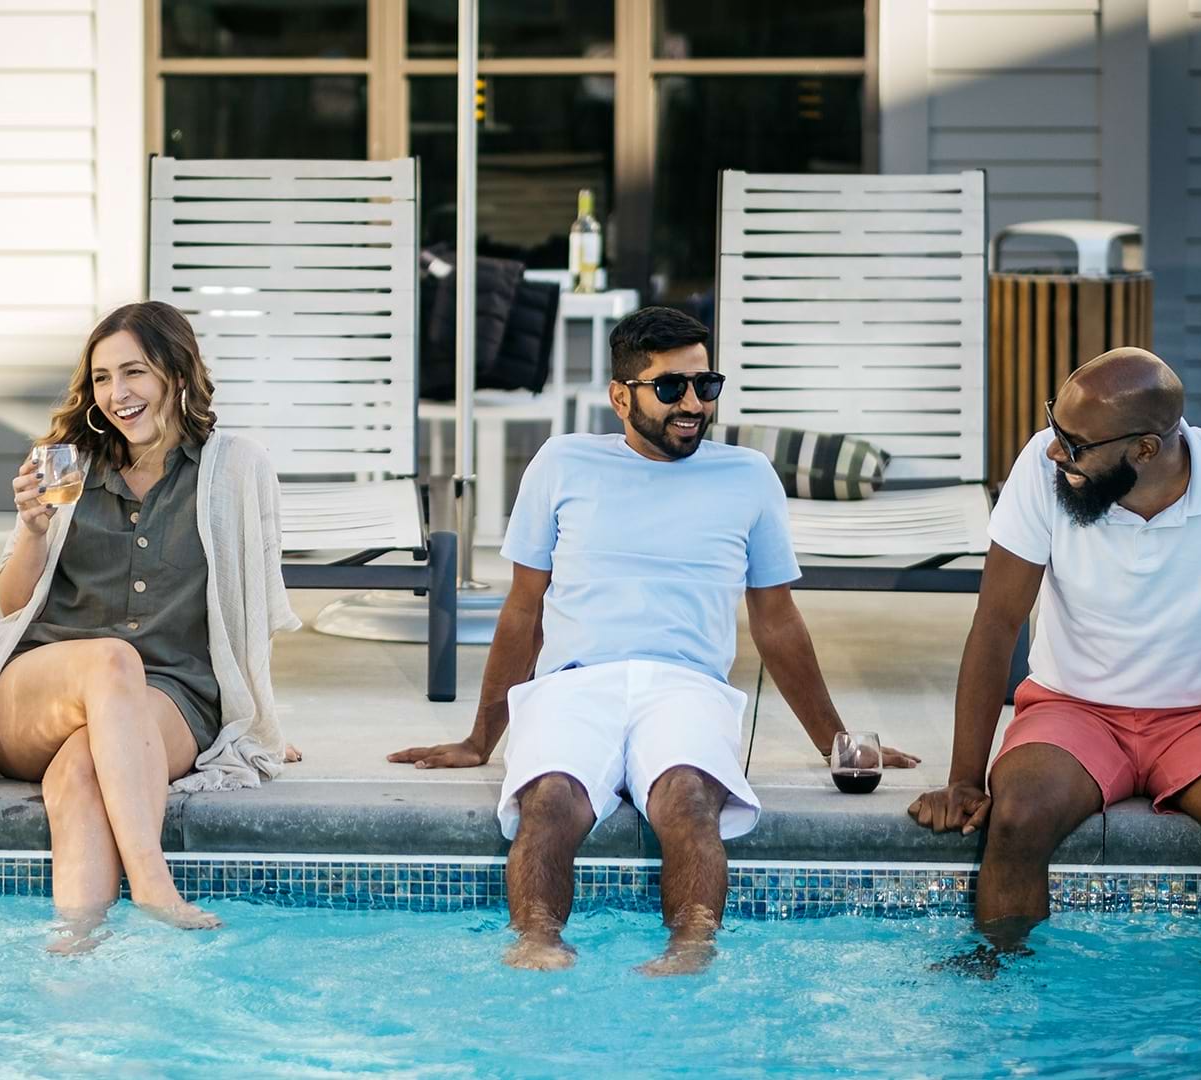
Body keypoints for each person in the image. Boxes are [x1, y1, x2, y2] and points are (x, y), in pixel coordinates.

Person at [390, 306, 917, 975]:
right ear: (621, 396)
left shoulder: (749, 476)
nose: (693, 404)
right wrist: (479, 740)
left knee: (689, 798)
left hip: (687, 687)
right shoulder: (562, 463)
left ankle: (691, 950)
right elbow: (523, 612)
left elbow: (777, 621)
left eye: (706, 385)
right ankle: (538, 943)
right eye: (671, 387)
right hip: (573, 685)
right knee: (548, 800)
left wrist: (833, 741)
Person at [908, 347, 1201, 977]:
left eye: (1074, 444)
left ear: (1146, 449)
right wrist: (963, 780)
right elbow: (995, 625)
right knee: (1016, 818)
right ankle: (1000, 985)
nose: (1053, 451)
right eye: (1055, 426)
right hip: (1072, 711)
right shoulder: (1042, 470)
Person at [0, 300, 299, 948]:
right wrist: (33, 529)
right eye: (102, 377)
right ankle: (152, 884)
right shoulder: (65, 462)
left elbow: (251, 609)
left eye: (134, 372)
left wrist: (258, 718)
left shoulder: (233, 469)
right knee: (110, 659)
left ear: (176, 373)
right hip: (43, 686)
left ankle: (75, 947)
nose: (117, 393)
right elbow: (13, 606)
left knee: (81, 771)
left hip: (171, 695)